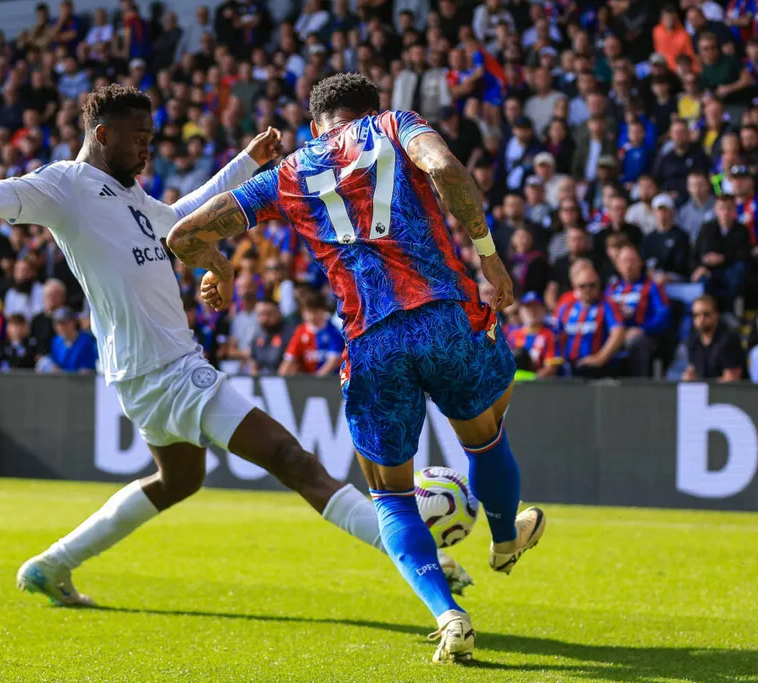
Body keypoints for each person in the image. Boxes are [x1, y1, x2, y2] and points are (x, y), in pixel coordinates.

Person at [0, 79, 412, 611]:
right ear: (102, 135)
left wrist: (245, 163)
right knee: (290, 458)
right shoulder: (64, 185)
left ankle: (52, 565)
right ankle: (419, 558)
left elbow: (182, 216)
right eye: (138, 138)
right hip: (167, 369)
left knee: (179, 480)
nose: (147, 149)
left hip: (145, 372)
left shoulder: (131, 196)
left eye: (150, 138)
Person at [168, 73, 545, 664]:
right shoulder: (396, 126)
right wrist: (490, 256)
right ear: (372, 108)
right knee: (484, 433)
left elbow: (183, 233)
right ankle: (503, 538)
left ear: (314, 124)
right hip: (444, 316)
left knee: (390, 495)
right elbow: (445, 169)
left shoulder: (288, 172)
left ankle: (448, 615)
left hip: (371, 340)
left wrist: (217, 267)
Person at [606, 245, 671, 377]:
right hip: (615, 335)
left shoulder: (652, 287)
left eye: (632, 260)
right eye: (624, 261)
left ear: (640, 263)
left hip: (644, 335)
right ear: (618, 265)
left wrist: (643, 329)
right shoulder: (611, 289)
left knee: (637, 343)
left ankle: (639, 384)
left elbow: (663, 315)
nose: (628, 265)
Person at [554, 260, 626, 378]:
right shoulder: (566, 308)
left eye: (592, 285)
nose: (587, 289)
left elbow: (618, 333)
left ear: (599, 285)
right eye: (583, 286)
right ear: (575, 287)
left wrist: (600, 358)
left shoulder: (607, 305)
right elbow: (555, 334)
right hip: (569, 367)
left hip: (597, 368)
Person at [682, 295, 746, 382]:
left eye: (706, 314)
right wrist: (689, 376)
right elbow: (693, 369)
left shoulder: (729, 339)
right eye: (696, 315)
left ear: (716, 314)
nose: (701, 319)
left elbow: (731, 379)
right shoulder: (694, 340)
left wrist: (703, 384)